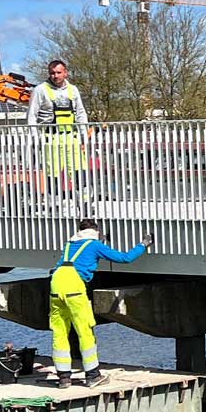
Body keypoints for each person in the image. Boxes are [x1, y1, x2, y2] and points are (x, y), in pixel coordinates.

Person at [49, 216, 152, 387]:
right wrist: (143, 244)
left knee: (59, 331)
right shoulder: (95, 245)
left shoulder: (69, 245)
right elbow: (124, 258)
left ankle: (64, 378)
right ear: (96, 232)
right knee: (84, 331)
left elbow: (80, 256)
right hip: (74, 287)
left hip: (56, 284)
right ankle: (93, 375)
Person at [28, 57, 89, 195]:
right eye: (52, 73)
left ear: (65, 73)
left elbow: (81, 112)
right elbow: (32, 115)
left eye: (58, 72)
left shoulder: (73, 90)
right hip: (50, 137)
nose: (55, 76)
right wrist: (35, 137)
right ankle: (54, 203)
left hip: (71, 137)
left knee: (79, 169)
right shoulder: (40, 90)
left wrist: (84, 134)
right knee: (53, 172)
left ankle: (85, 201)